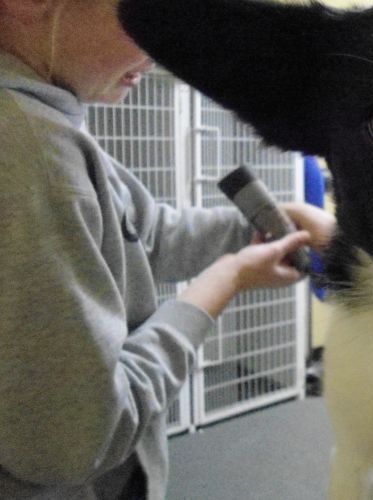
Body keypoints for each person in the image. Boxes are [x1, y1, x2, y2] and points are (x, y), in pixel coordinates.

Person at [0, 0, 336, 498]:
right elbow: (75, 441)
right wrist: (226, 281)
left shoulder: (48, 117)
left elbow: (145, 229)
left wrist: (256, 229)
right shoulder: (32, 150)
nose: (163, 49)